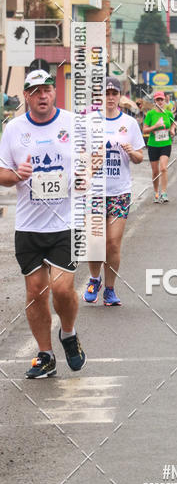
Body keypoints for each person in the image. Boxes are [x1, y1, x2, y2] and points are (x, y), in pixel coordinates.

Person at [0, 69, 86, 378]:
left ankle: (69, 333)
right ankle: (45, 354)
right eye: (35, 91)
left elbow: (92, 159)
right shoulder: (13, 130)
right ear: (26, 95)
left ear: (54, 92)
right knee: (36, 292)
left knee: (62, 289)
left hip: (65, 224)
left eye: (47, 89)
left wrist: (84, 175)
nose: (42, 95)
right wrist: (17, 175)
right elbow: (2, 173)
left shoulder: (72, 124)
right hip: (29, 226)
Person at [83, 77, 145, 307]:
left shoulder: (129, 124)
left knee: (113, 243)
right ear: (100, 96)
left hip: (120, 191)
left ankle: (109, 289)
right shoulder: (88, 122)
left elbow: (140, 158)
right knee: (94, 241)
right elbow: (78, 153)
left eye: (114, 93)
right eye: (106, 93)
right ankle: (94, 279)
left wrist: (131, 152)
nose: (110, 97)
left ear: (120, 96)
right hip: (94, 191)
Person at [143, 90, 176, 203]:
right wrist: (155, 126)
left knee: (163, 168)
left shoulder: (168, 113)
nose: (160, 101)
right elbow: (145, 129)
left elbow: (173, 123)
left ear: (164, 100)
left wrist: (172, 130)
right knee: (155, 171)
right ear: (155, 101)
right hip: (153, 145)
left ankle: (164, 193)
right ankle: (156, 192)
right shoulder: (150, 114)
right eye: (158, 100)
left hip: (166, 144)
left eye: (162, 99)